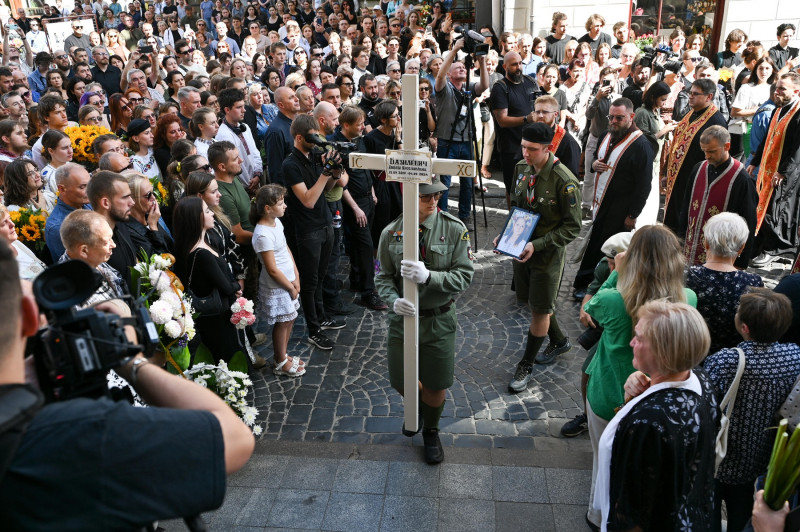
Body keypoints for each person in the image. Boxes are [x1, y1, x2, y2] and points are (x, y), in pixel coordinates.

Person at [0, 234, 255, 529]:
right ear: (31, 317)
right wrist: (129, 361)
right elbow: (234, 439)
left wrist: (30, 373)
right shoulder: (81, 435)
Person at [583, 224, 697, 528]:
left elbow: (592, 305)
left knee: (603, 456)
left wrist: (616, 273)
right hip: (658, 393)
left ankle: (597, 515)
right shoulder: (687, 298)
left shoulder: (613, 300)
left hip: (608, 390)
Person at [375, 175, 475, 464]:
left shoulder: (454, 230)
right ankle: (419, 410)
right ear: (408, 195)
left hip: (438, 320)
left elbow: (464, 275)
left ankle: (431, 430)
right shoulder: (391, 232)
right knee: (401, 380)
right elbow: (382, 276)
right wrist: (393, 299)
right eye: (425, 196)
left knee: (436, 383)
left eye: (437, 195)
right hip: (403, 321)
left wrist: (430, 277)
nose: (434, 201)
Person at [598, 301, 719, 531]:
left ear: (663, 352)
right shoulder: (700, 380)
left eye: (639, 338)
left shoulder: (648, 423)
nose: (632, 342)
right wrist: (634, 395)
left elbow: (633, 513)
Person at [704, 289, 800, 532]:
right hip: (762, 460)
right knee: (745, 517)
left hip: (721, 458)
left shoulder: (726, 360)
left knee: (709, 516)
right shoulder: (795, 356)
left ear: (744, 327)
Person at [503, 123, 581, 391]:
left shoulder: (564, 181)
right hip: (520, 250)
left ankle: (525, 364)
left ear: (548, 148)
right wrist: (506, 236)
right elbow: (518, 207)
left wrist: (537, 244)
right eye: (523, 146)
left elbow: (572, 227)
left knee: (539, 310)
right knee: (537, 304)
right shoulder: (521, 169)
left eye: (532, 149)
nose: (525, 153)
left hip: (546, 255)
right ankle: (559, 341)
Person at [574, 98, 653, 293]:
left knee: (608, 248)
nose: (614, 121)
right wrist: (593, 165)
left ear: (631, 117)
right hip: (601, 202)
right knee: (596, 242)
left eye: (619, 118)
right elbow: (595, 159)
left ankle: (597, 285)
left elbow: (644, 185)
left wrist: (633, 214)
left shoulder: (641, 145)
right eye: (611, 117)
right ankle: (589, 282)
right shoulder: (606, 135)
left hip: (621, 207)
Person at [282, 114, 344, 351]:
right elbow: (307, 200)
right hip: (307, 229)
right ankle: (313, 329)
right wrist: (326, 172)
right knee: (309, 282)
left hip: (325, 222)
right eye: (312, 137)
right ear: (299, 137)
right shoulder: (290, 164)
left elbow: (326, 188)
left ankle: (321, 317)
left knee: (322, 274)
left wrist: (335, 173)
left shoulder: (315, 156)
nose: (317, 141)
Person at [173, 195, 253, 364]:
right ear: (197, 218)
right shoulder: (201, 253)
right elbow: (226, 286)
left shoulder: (197, 244)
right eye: (207, 211)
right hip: (218, 318)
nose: (212, 214)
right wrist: (235, 286)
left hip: (215, 316)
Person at [679, 126, 759, 268]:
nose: (707, 156)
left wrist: (741, 262)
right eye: (704, 151)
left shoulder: (741, 178)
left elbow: (749, 222)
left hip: (720, 259)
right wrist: (680, 241)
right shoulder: (698, 169)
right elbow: (686, 206)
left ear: (727, 146)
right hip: (689, 254)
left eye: (712, 151)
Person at [686, 212, 763, 355]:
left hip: (689, 359)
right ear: (741, 248)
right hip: (734, 363)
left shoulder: (686, 275)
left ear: (706, 243)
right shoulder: (753, 282)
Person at [249, 184, 306, 377]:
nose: (285, 206)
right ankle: (280, 361)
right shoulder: (263, 234)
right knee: (283, 322)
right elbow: (272, 269)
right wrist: (290, 286)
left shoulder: (276, 223)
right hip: (278, 285)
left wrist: (296, 275)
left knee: (290, 318)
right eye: (281, 203)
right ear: (267, 208)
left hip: (289, 281)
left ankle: (282, 355)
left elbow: (286, 249)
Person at [433, 37, 489, 224]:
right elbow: (439, 76)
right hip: (447, 141)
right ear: (449, 74)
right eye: (458, 68)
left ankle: (464, 217)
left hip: (466, 140)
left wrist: (481, 61)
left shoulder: (468, 88)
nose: (462, 69)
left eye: (464, 68)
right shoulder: (444, 88)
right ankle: (445, 218)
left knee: (467, 183)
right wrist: (454, 50)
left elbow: (484, 86)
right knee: (445, 183)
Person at [748, 72, 800, 266]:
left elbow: (798, 148)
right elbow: (767, 138)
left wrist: (783, 172)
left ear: (796, 91)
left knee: (777, 209)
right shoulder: (778, 109)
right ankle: (760, 244)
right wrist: (755, 160)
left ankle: (774, 249)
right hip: (768, 169)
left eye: (782, 88)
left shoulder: (798, 111)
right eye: (777, 87)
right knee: (764, 205)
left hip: (786, 173)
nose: (777, 91)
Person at [663, 78, 728, 231]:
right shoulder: (691, 114)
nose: (690, 96)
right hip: (678, 180)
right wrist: (667, 172)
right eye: (690, 93)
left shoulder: (715, 121)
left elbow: (718, 158)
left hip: (696, 182)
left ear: (709, 97)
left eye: (695, 94)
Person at [490, 50, 539, 208]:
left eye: (519, 63)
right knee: (514, 188)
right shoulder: (500, 88)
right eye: (513, 64)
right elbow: (502, 120)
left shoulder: (531, 82)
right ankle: (513, 219)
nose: (518, 67)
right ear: (505, 66)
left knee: (535, 184)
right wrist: (526, 119)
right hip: (511, 147)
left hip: (533, 144)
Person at [634, 81, 677, 226]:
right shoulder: (642, 113)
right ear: (653, 97)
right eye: (662, 99)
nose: (664, 103)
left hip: (656, 161)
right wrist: (664, 131)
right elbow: (641, 139)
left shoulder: (655, 111)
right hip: (646, 161)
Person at [39, 130, 74, 195]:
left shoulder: (70, 164)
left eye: (70, 146)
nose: (70, 151)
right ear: (51, 151)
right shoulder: (48, 177)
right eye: (64, 148)